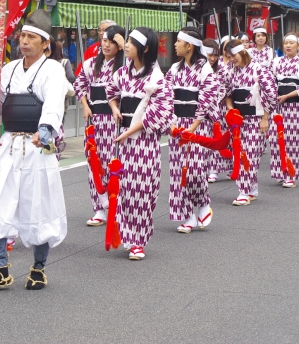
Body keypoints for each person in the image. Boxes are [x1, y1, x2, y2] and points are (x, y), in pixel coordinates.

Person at [0, 10, 67, 290]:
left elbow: (53, 103)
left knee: (38, 206)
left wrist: (47, 128)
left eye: (31, 37)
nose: (24, 41)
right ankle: (0, 268)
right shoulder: (9, 69)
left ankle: (38, 268)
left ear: (45, 43)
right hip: (10, 145)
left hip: (36, 148)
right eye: (22, 36)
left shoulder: (53, 69)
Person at [107, 27, 173, 260]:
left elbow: (158, 113)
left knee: (143, 190)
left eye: (131, 42)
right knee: (123, 188)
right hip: (123, 137)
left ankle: (139, 240)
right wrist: (115, 109)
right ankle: (127, 234)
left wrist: (129, 132)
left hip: (143, 141)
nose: (126, 45)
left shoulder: (156, 78)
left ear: (145, 48)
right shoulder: (122, 72)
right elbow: (112, 93)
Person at [166, 28, 221, 233]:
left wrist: (194, 125)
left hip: (199, 126)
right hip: (179, 125)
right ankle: (187, 215)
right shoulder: (174, 68)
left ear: (189, 46)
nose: (175, 44)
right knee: (180, 172)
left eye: (178, 41)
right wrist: (172, 121)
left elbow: (208, 97)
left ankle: (204, 202)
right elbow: (166, 96)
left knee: (196, 171)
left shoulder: (205, 69)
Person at [74, 24, 125, 226]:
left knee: (114, 162)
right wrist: (85, 105)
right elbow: (78, 85)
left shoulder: (125, 66)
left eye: (111, 41)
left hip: (115, 122)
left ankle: (116, 204)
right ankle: (99, 207)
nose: (106, 45)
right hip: (95, 120)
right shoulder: (90, 64)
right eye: (104, 40)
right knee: (94, 162)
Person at [224, 40, 276, 205]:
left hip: (256, 118)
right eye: (229, 56)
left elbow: (271, 94)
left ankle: (244, 191)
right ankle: (250, 188)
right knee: (238, 153)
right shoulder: (230, 71)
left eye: (234, 55)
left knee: (251, 154)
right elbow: (226, 93)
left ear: (243, 52)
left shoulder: (259, 69)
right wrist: (230, 108)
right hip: (238, 119)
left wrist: (265, 118)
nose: (232, 59)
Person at [268, 33, 299, 188]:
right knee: (276, 139)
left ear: (298, 46)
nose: (288, 46)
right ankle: (280, 171)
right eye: (286, 43)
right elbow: (269, 80)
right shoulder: (276, 61)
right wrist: (274, 95)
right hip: (278, 105)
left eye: (291, 43)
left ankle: (290, 174)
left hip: (295, 104)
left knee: (293, 141)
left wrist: (287, 95)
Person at [204, 39, 231, 183]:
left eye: (215, 55)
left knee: (218, 138)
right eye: (210, 54)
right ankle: (207, 168)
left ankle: (214, 170)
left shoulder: (222, 68)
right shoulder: (199, 66)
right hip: (202, 109)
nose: (213, 58)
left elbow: (227, 88)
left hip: (218, 108)